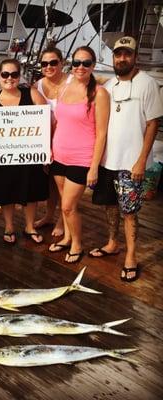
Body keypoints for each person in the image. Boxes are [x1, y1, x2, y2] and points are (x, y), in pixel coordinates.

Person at [89, 36, 163, 281]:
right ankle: (112, 243)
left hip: (132, 164)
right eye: (118, 54)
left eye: (127, 54)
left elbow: (153, 123)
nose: (122, 58)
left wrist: (142, 160)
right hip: (108, 160)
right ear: (113, 58)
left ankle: (131, 255)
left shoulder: (147, 84)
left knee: (130, 212)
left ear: (135, 56)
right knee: (110, 207)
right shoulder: (109, 86)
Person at [48, 46, 110, 263]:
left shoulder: (99, 93)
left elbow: (102, 133)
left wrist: (94, 167)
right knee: (65, 205)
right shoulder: (64, 88)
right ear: (71, 65)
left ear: (93, 66)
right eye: (76, 63)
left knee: (68, 206)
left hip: (81, 158)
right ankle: (66, 237)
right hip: (59, 155)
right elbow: (58, 122)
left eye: (86, 63)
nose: (80, 67)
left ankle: (77, 244)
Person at [0, 59, 49, 244]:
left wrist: (47, 147)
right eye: (5, 74)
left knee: (31, 190)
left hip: (29, 154)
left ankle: (29, 226)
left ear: (19, 76)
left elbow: (47, 120)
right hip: (3, 157)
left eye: (14, 74)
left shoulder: (32, 93)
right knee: (5, 190)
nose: (9, 78)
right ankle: (9, 226)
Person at [33, 46, 69, 237]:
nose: (49, 66)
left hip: (67, 142)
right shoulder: (37, 86)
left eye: (53, 62)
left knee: (64, 185)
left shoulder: (72, 83)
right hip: (46, 143)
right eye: (45, 63)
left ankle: (63, 221)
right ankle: (48, 216)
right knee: (51, 184)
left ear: (62, 63)